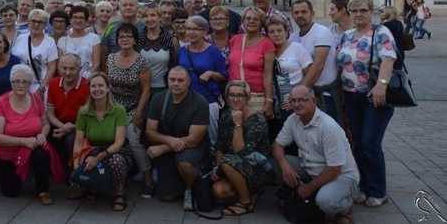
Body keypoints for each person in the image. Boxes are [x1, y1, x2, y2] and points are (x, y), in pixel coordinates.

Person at [336, 0, 396, 209]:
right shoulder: (347, 36)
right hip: (351, 96)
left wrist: (381, 84)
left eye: (363, 10)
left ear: (371, 12)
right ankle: (362, 187)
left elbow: (389, 59)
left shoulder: (380, 33)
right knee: (358, 144)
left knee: (370, 143)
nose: (358, 14)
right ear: (349, 13)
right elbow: (339, 63)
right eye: (354, 11)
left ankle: (378, 191)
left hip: (374, 96)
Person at [272, 85, 359, 224]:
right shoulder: (293, 119)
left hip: (341, 175)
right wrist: (285, 166)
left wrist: (308, 188)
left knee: (326, 202)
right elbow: (277, 145)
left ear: (313, 101)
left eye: (302, 100)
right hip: (311, 168)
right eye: (293, 100)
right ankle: (294, 198)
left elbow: (335, 168)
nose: (296, 104)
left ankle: (346, 207)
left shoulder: (328, 127)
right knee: (278, 161)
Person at [0, 64, 65, 204]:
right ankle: (20, 172)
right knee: (11, 192)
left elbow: (45, 124)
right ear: (11, 82)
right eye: (16, 81)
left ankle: (43, 189)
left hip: (32, 147)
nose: (20, 85)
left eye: (25, 82)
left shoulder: (35, 99)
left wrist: (43, 134)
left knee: (42, 153)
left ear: (30, 84)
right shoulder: (1, 102)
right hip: (7, 152)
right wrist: (23, 141)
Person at [146, 66, 211, 210]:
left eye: (180, 80)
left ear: (188, 82)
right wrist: (170, 141)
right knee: (166, 197)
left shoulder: (200, 103)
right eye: (172, 80)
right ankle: (181, 179)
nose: (175, 83)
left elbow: (193, 140)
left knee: (185, 164)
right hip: (171, 143)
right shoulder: (158, 99)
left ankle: (189, 188)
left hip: (193, 145)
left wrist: (163, 147)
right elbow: (150, 132)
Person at [68, 72, 133, 211]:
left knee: (116, 161)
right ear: (89, 89)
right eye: (93, 86)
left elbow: (119, 143)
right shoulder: (83, 112)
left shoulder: (119, 110)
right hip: (92, 149)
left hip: (114, 150)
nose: (97, 89)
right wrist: (76, 163)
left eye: (101, 85)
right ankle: (95, 187)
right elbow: (78, 142)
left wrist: (97, 158)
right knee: (77, 178)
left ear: (108, 88)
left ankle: (120, 192)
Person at [104, 22, 155, 198]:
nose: (125, 39)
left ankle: (148, 178)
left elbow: (146, 90)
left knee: (133, 141)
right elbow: (107, 86)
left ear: (134, 39)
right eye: (121, 36)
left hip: (134, 107)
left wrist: (138, 114)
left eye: (128, 36)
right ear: (117, 40)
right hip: (113, 108)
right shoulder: (110, 58)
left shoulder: (141, 62)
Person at [211, 79, 274, 216]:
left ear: (248, 98)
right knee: (219, 191)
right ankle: (251, 189)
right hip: (233, 165)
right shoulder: (227, 115)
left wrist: (238, 124)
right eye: (231, 95)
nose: (235, 99)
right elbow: (221, 145)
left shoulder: (257, 120)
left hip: (257, 166)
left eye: (240, 95)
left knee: (227, 161)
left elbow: (241, 152)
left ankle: (246, 202)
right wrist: (217, 168)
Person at [290, 0, 342, 124]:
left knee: (328, 134)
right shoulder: (293, 37)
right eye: (296, 12)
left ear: (312, 13)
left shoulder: (321, 32)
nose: (300, 15)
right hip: (306, 96)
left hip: (324, 95)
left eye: (304, 12)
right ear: (292, 15)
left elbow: (318, 65)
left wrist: (299, 91)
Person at [177, 16, 227, 147]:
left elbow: (223, 75)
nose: (191, 32)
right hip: (186, 99)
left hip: (208, 100)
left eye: (195, 29)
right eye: (188, 29)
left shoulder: (213, 50)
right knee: (190, 135)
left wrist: (210, 73)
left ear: (204, 32)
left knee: (211, 136)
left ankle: (212, 161)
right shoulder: (181, 51)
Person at [226, 7, 276, 118]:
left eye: (255, 19)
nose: (251, 21)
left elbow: (268, 74)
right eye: (248, 18)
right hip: (234, 95)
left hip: (255, 96)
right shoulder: (235, 39)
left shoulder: (267, 44)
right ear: (243, 21)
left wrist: (269, 102)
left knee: (253, 131)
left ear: (262, 22)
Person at [46, 53, 89, 169]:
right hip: (58, 122)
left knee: (71, 140)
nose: (68, 72)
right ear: (59, 67)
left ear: (80, 69)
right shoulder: (53, 83)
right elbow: (50, 113)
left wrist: (71, 128)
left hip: (78, 124)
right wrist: (63, 127)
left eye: (72, 69)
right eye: (64, 68)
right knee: (45, 133)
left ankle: (71, 172)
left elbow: (88, 117)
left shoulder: (87, 85)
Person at [266, 15, 313, 120]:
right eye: (272, 32)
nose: (276, 34)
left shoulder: (297, 49)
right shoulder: (267, 52)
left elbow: (310, 75)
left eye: (279, 30)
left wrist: (298, 97)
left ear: (286, 31)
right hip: (275, 102)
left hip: (296, 102)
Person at [10, 9, 58, 95]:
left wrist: (42, 88)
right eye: (33, 21)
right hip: (20, 85)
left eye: (40, 22)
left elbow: (52, 68)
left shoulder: (50, 42)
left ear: (45, 25)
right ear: (28, 22)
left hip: (40, 85)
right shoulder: (20, 38)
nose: (36, 24)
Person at [137, 3, 179, 97]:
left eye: (153, 15)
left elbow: (175, 65)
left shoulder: (171, 40)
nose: (149, 19)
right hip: (140, 88)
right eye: (145, 16)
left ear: (160, 17)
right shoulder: (138, 39)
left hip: (163, 89)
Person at [58, 6, 101, 78]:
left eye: (81, 18)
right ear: (70, 20)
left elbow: (96, 64)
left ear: (86, 20)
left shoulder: (94, 38)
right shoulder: (62, 40)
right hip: (67, 79)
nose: (78, 20)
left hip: (86, 80)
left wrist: (84, 80)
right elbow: (59, 65)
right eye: (75, 17)